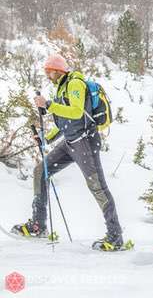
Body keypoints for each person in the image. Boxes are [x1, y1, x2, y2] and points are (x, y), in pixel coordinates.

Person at [12, 54, 123, 251]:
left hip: (85, 142)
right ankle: (38, 225)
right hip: (70, 141)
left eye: (49, 71)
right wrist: (46, 138)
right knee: (41, 172)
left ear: (58, 70)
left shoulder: (75, 84)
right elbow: (64, 122)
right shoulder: (61, 88)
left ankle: (115, 236)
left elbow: (76, 112)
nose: (47, 75)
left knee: (97, 186)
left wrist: (48, 105)